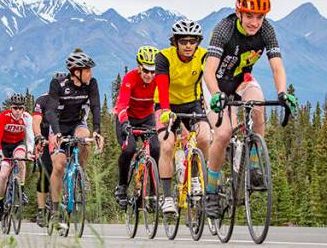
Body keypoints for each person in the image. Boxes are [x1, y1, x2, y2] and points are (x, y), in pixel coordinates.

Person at [202, 0, 297, 217]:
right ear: (238, 13)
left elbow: (277, 66)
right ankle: (211, 193)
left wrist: (282, 93)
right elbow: (209, 70)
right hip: (215, 83)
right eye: (249, 16)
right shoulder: (224, 29)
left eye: (260, 17)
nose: (255, 22)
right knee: (223, 134)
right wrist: (216, 94)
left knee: (258, 105)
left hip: (241, 81)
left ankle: (254, 165)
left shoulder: (267, 30)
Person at [155, 19, 213, 214]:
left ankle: (196, 177)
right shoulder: (164, 57)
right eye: (183, 41)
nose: (188, 45)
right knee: (167, 145)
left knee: (204, 137)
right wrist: (165, 110)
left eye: (192, 41)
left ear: (198, 42)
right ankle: (167, 198)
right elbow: (162, 86)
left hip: (192, 103)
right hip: (166, 104)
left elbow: (212, 79)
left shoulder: (204, 56)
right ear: (175, 42)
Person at [43, 49, 104, 215]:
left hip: (78, 123)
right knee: (59, 165)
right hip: (58, 126)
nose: (90, 73)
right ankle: (55, 208)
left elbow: (96, 106)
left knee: (84, 138)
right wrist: (57, 133)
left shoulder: (91, 83)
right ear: (77, 72)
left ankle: (80, 173)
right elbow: (50, 111)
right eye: (87, 70)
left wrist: (97, 130)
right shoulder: (58, 84)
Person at [114, 46, 161, 208]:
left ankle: (154, 193)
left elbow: (163, 103)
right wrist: (125, 124)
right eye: (146, 71)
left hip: (147, 117)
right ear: (139, 67)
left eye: (153, 71)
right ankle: (122, 187)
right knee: (129, 149)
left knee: (156, 148)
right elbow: (121, 105)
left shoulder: (158, 79)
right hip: (127, 117)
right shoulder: (130, 78)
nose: (149, 75)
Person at [0, 92, 35, 221]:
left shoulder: (27, 118)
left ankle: (21, 190)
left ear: (23, 109)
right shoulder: (4, 116)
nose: (18, 111)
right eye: (15, 108)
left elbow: (30, 136)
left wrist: (29, 152)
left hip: (18, 144)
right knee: (3, 175)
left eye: (20, 108)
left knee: (21, 161)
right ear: (11, 108)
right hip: (4, 146)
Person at [31, 93, 54, 227]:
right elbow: (36, 121)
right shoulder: (42, 100)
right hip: (44, 136)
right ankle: (41, 210)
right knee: (45, 172)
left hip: (60, 135)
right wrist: (38, 136)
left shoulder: (69, 99)